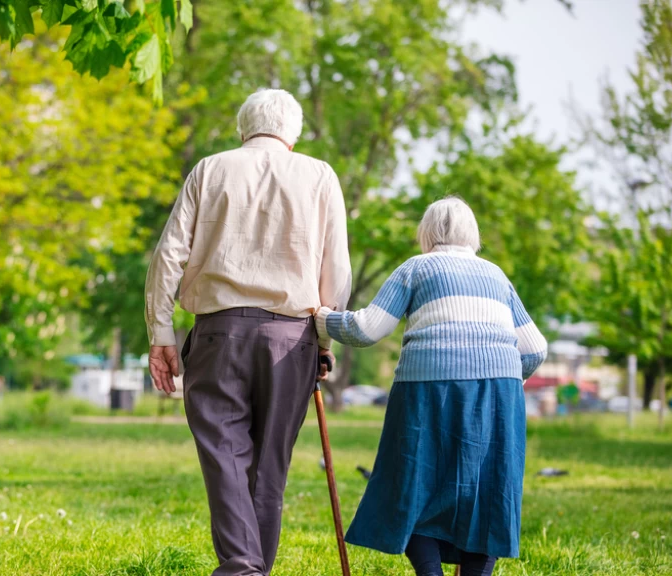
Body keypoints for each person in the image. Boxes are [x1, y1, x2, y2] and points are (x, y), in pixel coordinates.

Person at [145, 88, 351, 576]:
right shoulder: (319, 174)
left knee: (224, 457)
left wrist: (161, 333)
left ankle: (241, 567)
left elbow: (168, 255)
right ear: (293, 138)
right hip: (292, 337)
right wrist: (324, 341)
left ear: (243, 129)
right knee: (269, 470)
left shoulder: (210, 169)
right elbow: (335, 270)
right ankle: (248, 568)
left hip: (219, 334)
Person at [313, 197, 547, 576]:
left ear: (426, 233)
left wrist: (322, 319)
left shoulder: (416, 268)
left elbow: (367, 329)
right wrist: (506, 380)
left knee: (411, 484)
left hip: (427, 389)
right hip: (499, 393)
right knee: (487, 492)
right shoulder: (496, 275)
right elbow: (536, 348)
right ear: (472, 235)